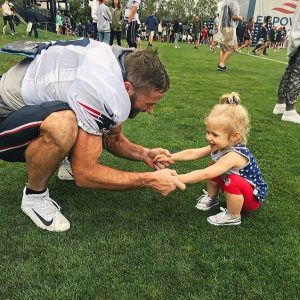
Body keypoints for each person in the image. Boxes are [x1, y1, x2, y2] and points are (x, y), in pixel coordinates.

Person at [0, 40, 185, 232]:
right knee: (64, 124)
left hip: (25, 97)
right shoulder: (104, 88)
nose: (150, 110)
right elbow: (85, 174)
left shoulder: (121, 66)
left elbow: (111, 138)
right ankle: (34, 196)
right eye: (148, 103)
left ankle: (64, 163)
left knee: (75, 118)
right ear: (128, 88)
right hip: (5, 115)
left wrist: (144, 154)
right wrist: (148, 179)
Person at [155, 92, 267, 226]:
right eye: (208, 131)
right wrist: (171, 156)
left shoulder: (234, 155)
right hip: (241, 191)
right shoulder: (220, 146)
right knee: (212, 165)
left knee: (231, 180)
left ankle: (233, 215)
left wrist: (176, 179)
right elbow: (194, 153)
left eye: (215, 134)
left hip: (251, 199)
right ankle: (212, 197)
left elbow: (205, 174)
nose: (208, 137)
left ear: (235, 137)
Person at [273, 0, 300, 124]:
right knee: (296, 72)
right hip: (297, 34)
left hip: (296, 35)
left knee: (291, 70)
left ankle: (281, 104)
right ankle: (289, 110)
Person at [217, 0, 243, 71]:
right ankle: (222, 64)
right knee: (231, 48)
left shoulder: (225, 4)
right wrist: (240, 18)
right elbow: (233, 16)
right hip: (229, 28)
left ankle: (220, 64)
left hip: (223, 27)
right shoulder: (233, 3)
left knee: (223, 47)